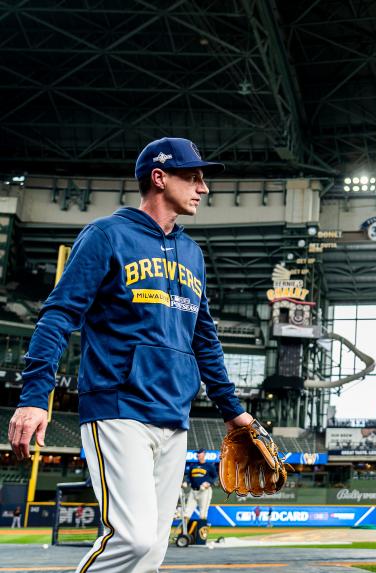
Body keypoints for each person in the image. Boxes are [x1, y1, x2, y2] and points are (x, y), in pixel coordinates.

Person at [7, 137, 253, 573]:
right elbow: (58, 315)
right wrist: (32, 397)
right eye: (193, 176)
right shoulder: (107, 235)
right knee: (134, 540)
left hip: (175, 416)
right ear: (159, 178)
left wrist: (233, 411)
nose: (204, 187)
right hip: (119, 407)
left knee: (152, 553)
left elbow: (205, 339)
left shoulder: (193, 253)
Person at [183, 450, 217, 521]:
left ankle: (202, 531)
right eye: (197, 454)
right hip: (193, 491)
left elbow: (215, 477)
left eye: (199, 453)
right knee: (187, 513)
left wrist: (209, 483)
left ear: (204, 455)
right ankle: (185, 531)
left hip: (204, 491)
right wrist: (186, 481)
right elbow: (189, 477)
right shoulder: (193, 465)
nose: (198, 455)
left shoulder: (209, 466)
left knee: (203, 513)